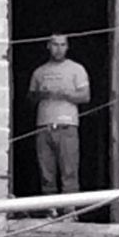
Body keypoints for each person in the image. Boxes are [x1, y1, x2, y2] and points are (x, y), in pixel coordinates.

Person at [28, 34, 90, 199]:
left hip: (67, 125)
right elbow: (30, 98)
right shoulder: (39, 72)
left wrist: (66, 94)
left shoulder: (76, 69)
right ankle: (51, 210)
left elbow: (85, 97)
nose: (59, 48)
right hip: (43, 126)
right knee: (46, 172)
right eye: (55, 44)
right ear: (48, 46)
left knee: (69, 171)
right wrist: (42, 94)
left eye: (62, 45)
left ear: (67, 47)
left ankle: (69, 211)